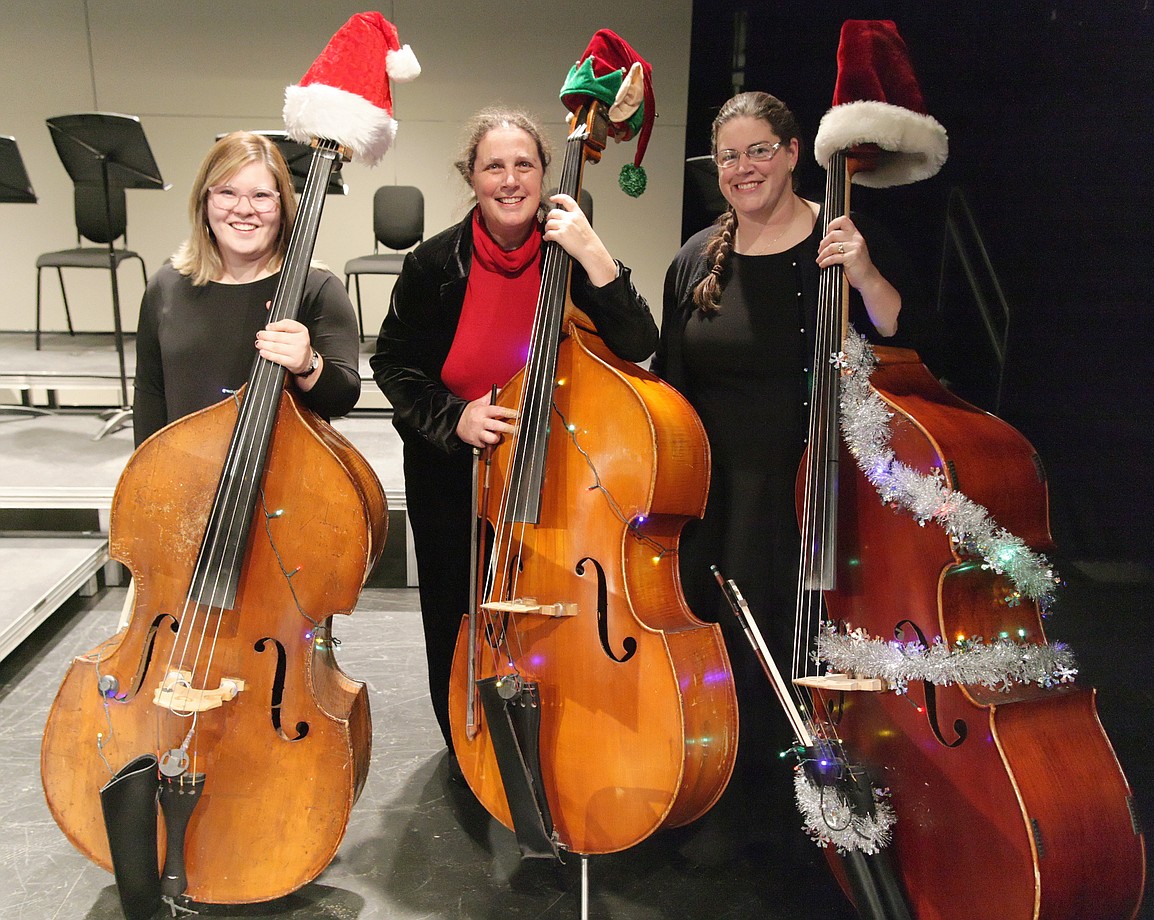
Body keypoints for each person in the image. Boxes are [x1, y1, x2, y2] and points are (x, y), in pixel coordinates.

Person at [651, 91, 915, 863]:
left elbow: (898, 327)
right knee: (722, 646)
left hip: (807, 484)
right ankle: (723, 796)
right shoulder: (696, 256)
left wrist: (863, 272)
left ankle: (802, 809)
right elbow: (672, 379)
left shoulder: (837, 242)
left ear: (795, 152)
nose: (744, 168)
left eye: (759, 150)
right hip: (714, 489)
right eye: (730, 155)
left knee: (801, 642)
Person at [369, 108, 658, 778]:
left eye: (523, 164)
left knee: (547, 602)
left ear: (544, 173)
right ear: (471, 176)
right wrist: (455, 419)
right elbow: (395, 364)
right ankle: (466, 742)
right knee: (457, 604)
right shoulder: (434, 261)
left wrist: (593, 254)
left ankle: (551, 730)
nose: (509, 179)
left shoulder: (573, 247)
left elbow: (639, 342)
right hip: (455, 465)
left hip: (554, 460)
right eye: (493, 165)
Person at [133, 130, 360, 446]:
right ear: (205, 201)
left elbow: (344, 398)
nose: (243, 209)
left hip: (282, 481)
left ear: (282, 207)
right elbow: (149, 396)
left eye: (261, 195)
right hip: (183, 478)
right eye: (227, 192)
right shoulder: (166, 286)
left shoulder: (317, 290)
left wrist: (308, 364)